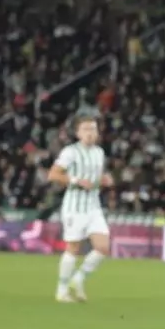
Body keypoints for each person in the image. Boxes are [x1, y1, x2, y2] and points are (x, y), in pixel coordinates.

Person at [47, 115, 113, 303]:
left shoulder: (99, 152)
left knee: (103, 247)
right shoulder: (70, 152)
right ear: (77, 133)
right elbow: (53, 175)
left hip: (93, 206)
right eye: (86, 129)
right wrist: (76, 180)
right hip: (74, 207)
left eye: (93, 129)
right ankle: (61, 290)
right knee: (73, 248)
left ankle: (78, 279)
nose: (90, 133)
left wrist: (104, 180)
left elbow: (95, 179)